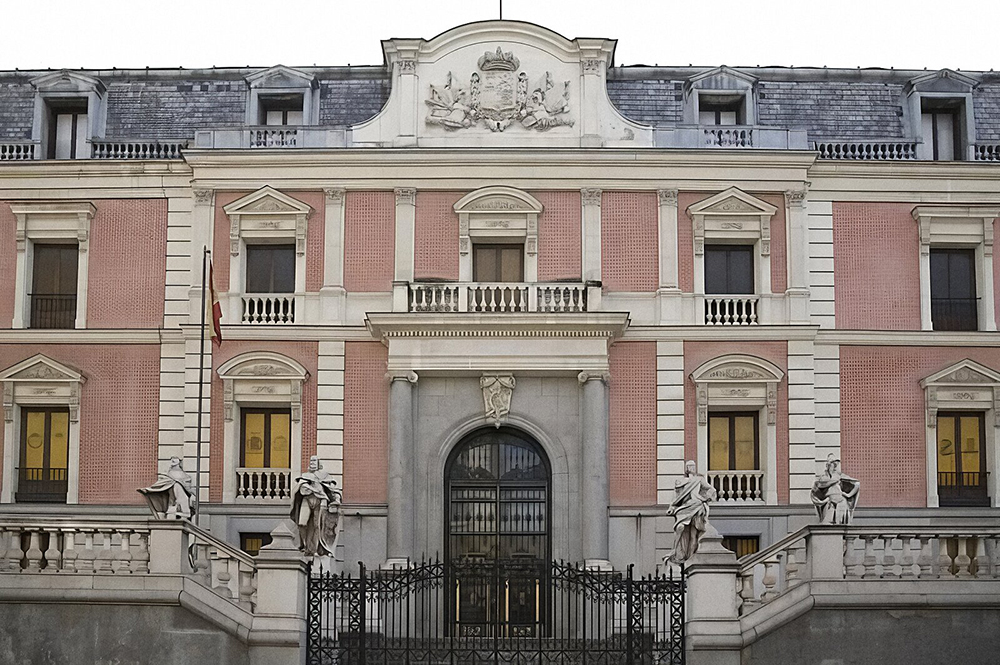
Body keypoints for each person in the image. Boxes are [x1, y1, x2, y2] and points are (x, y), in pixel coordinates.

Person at [290, 456, 343, 557]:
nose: (312, 463)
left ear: (319, 463)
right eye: (311, 461)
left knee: (317, 525)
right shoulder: (305, 476)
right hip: (307, 499)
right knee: (302, 523)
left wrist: (336, 499)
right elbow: (301, 489)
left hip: (321, 501)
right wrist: (313, 489)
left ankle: (315, 549)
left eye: (314, 461)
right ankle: (306, 546)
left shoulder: (325, 476)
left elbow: (334, 489)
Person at [667, 460, 717, 563]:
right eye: (690, 466)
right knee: (680, 527)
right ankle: (678, 553)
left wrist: (706, 498)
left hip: (697, 506)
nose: (692, 468)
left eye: (693, 466)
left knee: (694, 534)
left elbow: (711, 489)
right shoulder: (681, 481)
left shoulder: (699, 480)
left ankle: (691, 558)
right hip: (685, 507)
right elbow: (676, 496)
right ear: (686, 468)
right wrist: (671, 507)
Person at [811, 454, 860, 524]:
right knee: (826, 524)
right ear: (827, 465)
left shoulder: (839, 476)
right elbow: (819, 486)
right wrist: (834, 480)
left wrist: (848, 495)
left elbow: (857, 484)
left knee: (839, 525)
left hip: (841, 502)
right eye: (832, 464)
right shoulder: (823, 477)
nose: (834, 466)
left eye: (835, 464)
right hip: (829, 502)